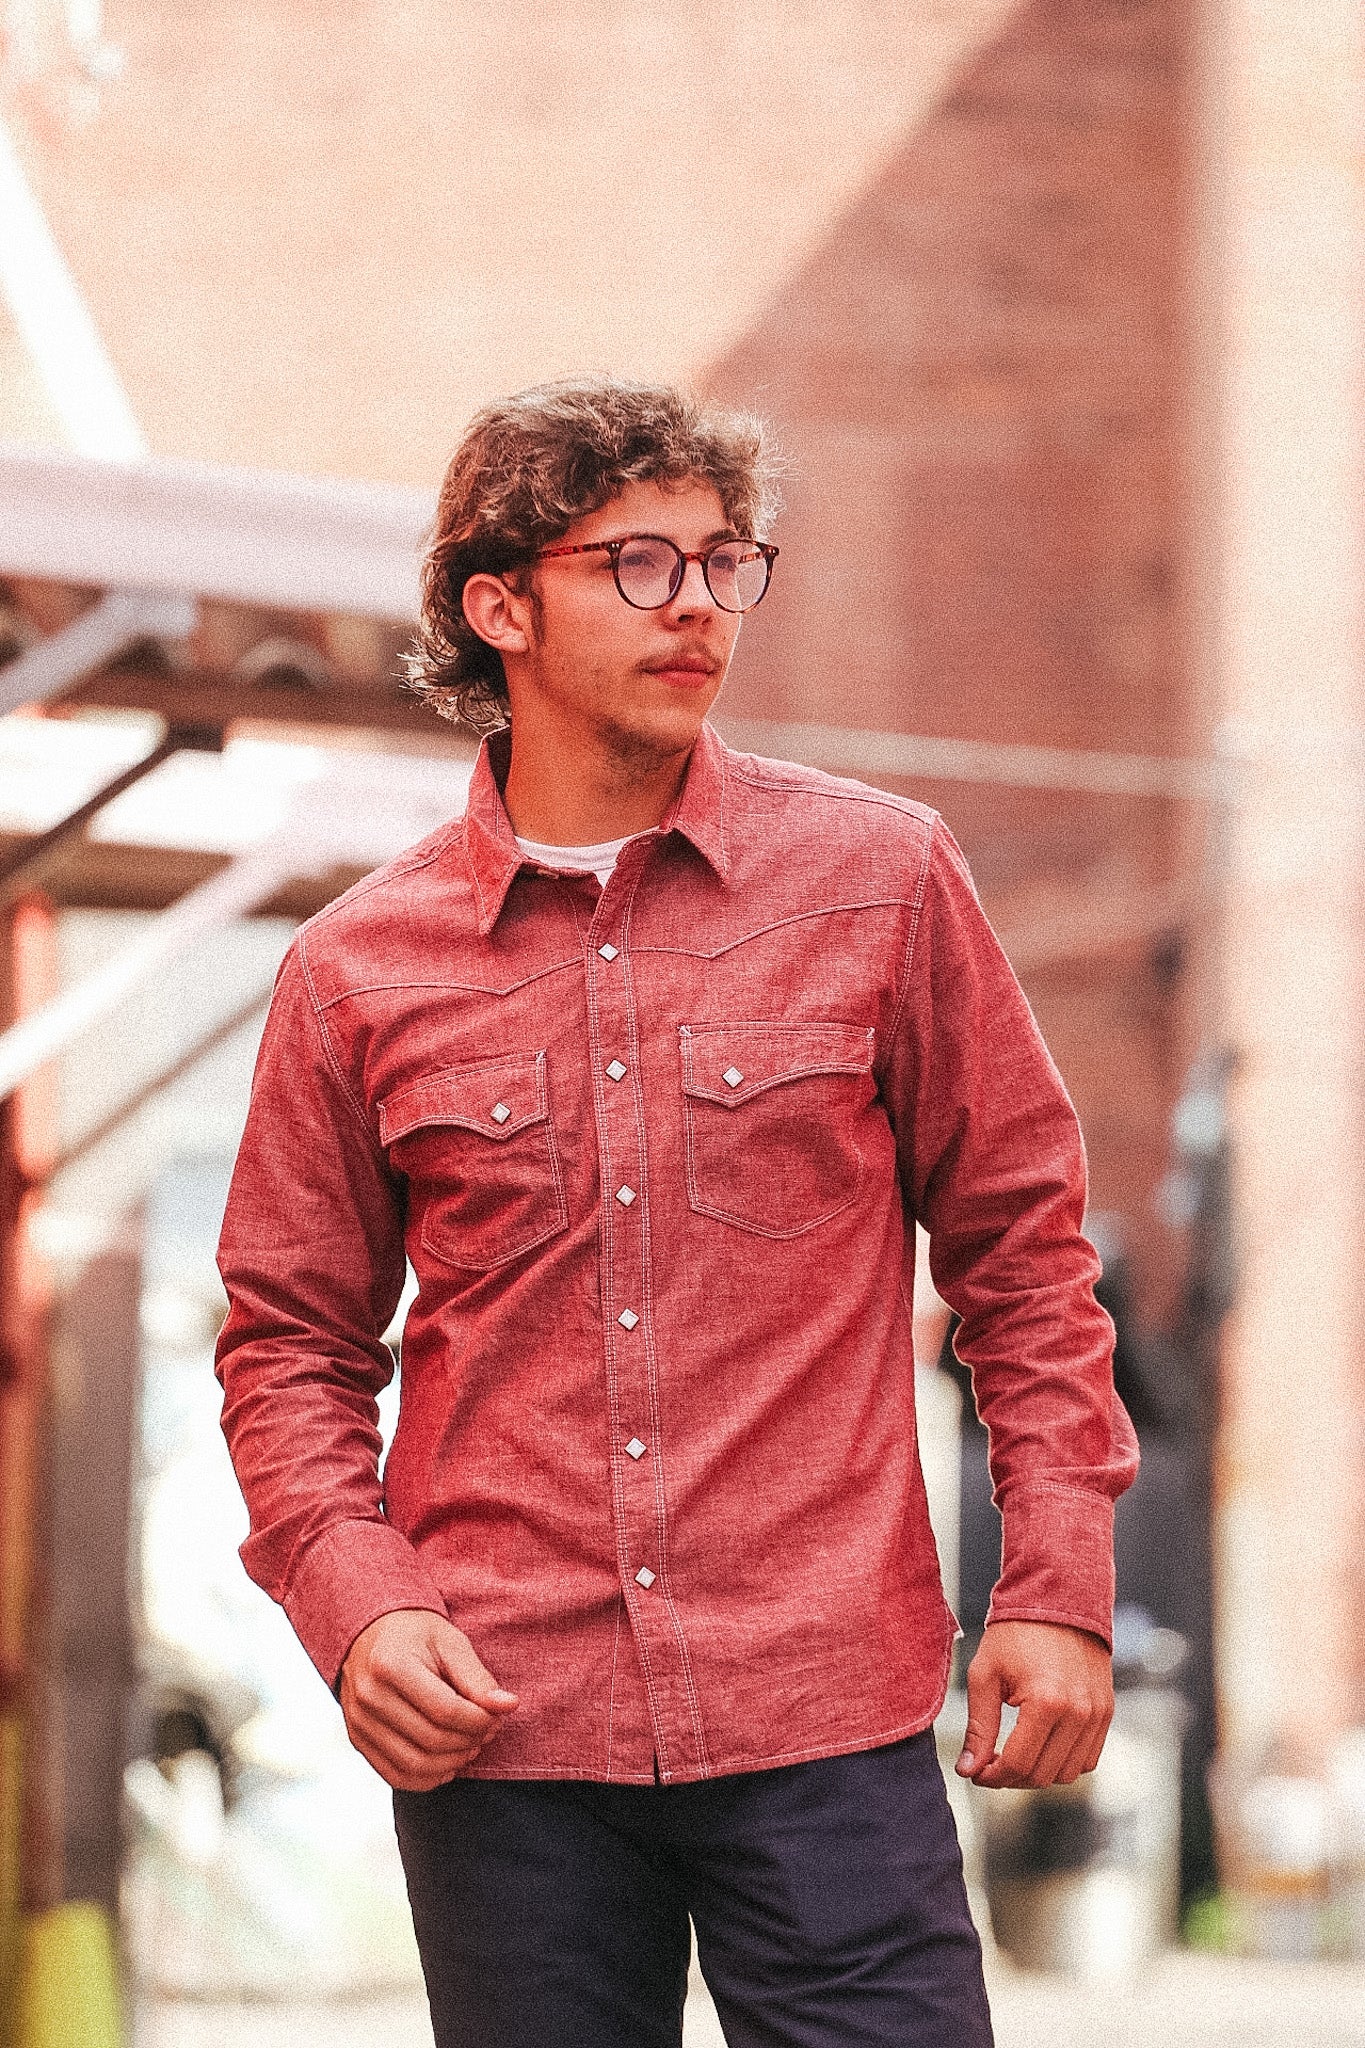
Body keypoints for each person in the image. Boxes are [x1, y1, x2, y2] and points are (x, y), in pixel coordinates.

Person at [214, 377, 1139, 2047]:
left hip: (827, 1716)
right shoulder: (354, 969)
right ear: (497, 603)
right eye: (636, 563)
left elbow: (1023, 1258)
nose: (698, 603)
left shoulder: (883, 879)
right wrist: (356, 1596)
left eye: (723, 560)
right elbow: (287, 1344)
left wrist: (1058, 1585)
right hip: (506, 1737)